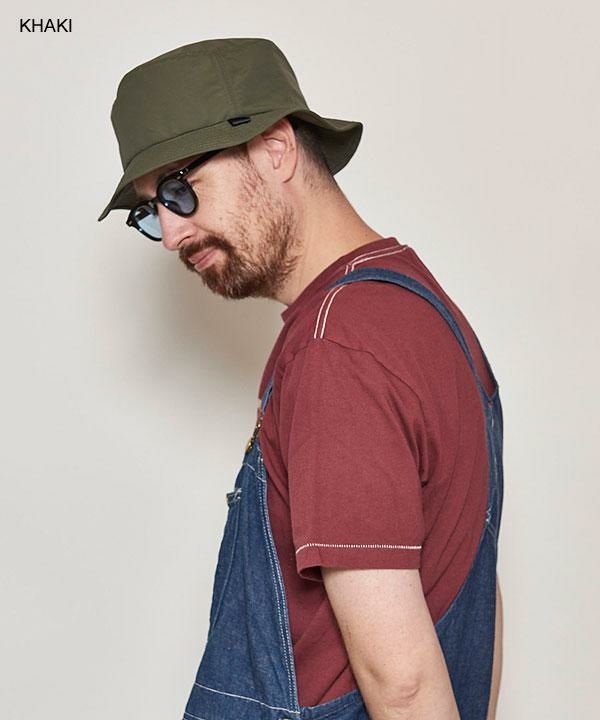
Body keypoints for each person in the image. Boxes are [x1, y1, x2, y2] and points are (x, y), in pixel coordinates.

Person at [98, 37, 505, 720]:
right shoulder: (422, 311)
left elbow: (403, 686)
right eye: (151, 211)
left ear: (276, 149)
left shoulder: (334, 348)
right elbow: (477, 598)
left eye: (179, 190)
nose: (170, 234)